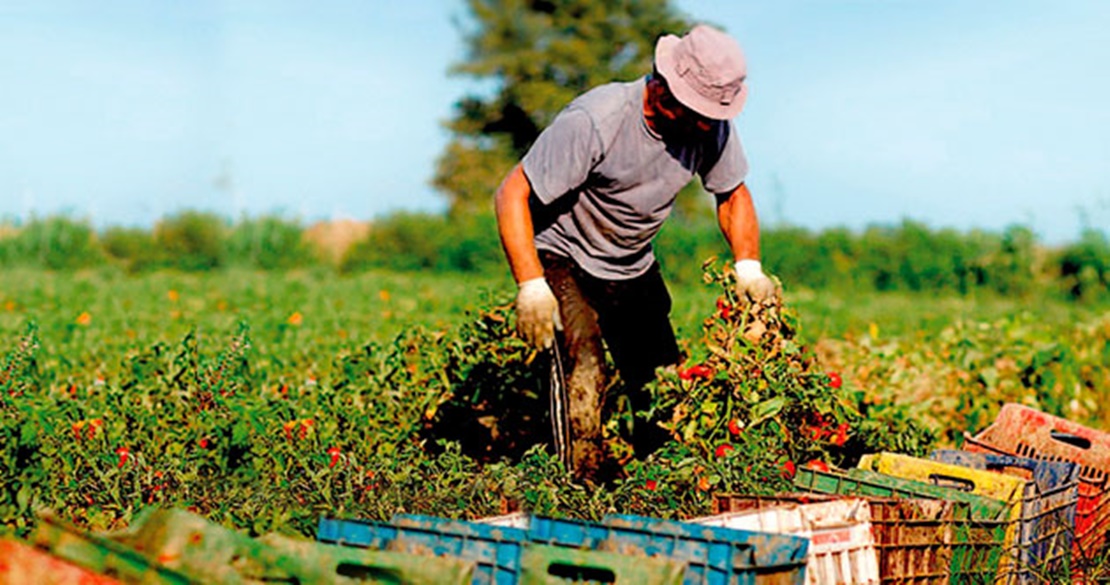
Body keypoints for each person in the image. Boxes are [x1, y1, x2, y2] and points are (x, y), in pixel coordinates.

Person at [494, 24, 777, 482]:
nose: (707, 125)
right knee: (583, 368)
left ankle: (661, 484)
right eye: (698, 113)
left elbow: (733, 195)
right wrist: (531, 284)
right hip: (563, 255)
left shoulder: (711, 128)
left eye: (713, 115)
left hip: (630, 262)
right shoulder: (597, 120)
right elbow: (512, 194)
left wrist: (748, 267)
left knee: (663, 382)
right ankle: (578, 491)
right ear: (664, 90)